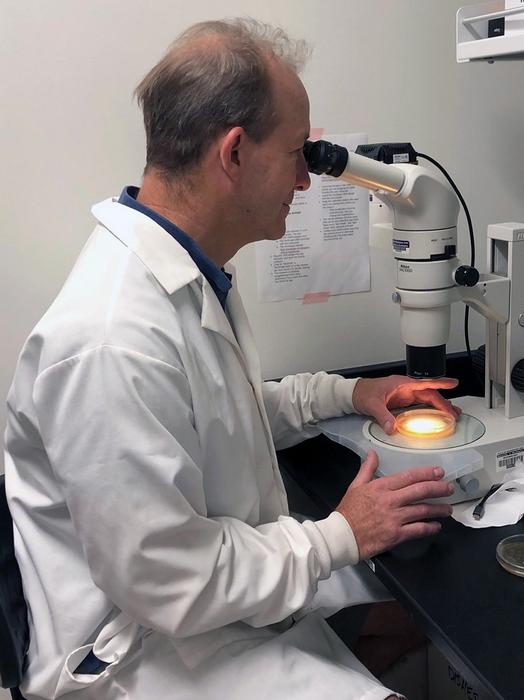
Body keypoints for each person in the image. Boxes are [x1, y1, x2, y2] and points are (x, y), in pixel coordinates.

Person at [4, 18, 458, 700]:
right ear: (235, 154)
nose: (306, 180)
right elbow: (173, 584)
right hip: (140, 650)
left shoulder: (188, 273)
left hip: (202, 602)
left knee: (408, 615)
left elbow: (226, 413)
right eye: (298, 153)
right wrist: (341, 534)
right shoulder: (107, 340)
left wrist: (349, 395)